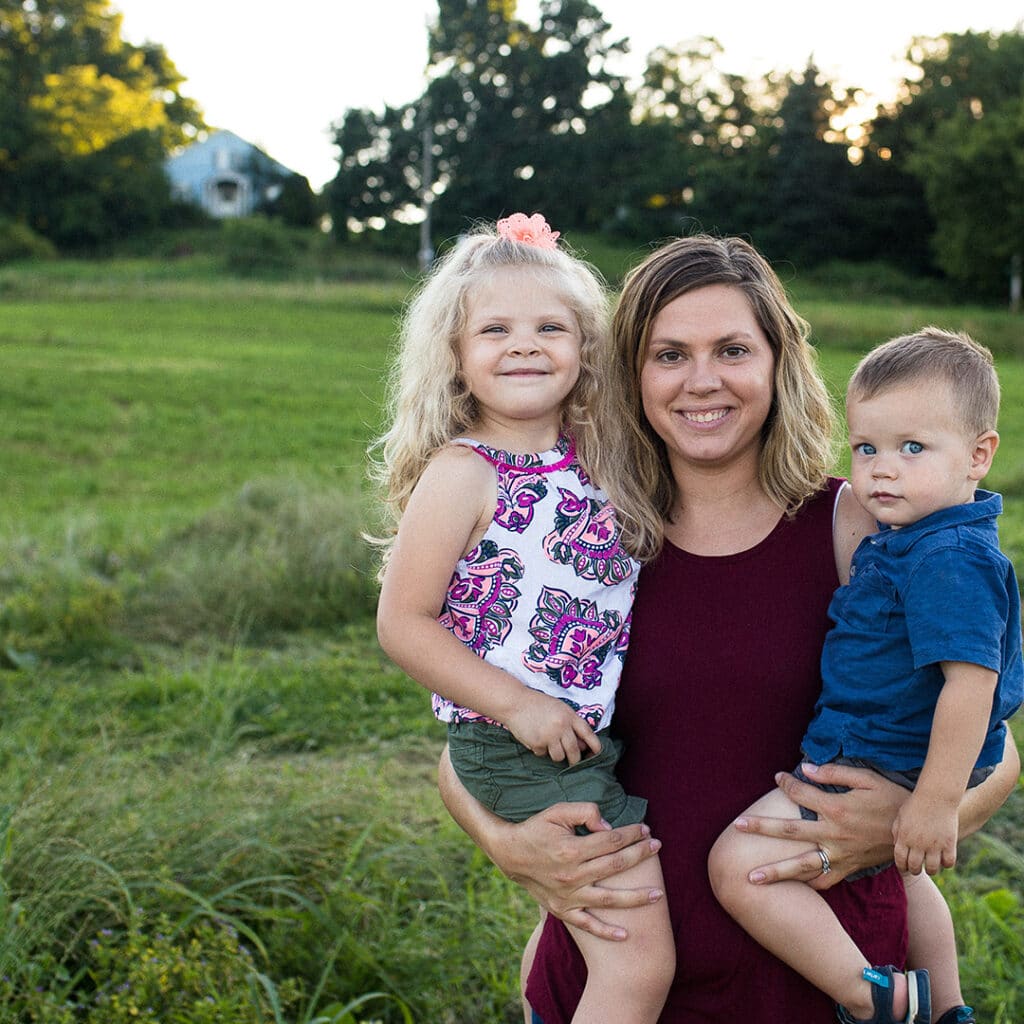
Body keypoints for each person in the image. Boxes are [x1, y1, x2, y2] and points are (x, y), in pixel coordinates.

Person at [437, 235, 1021, 1023]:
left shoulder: (860, 525)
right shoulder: (577, 529)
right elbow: (474, 738)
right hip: (621, 986)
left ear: (778, 363)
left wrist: (898, 825)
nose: (702, 380)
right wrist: (504, 843)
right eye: (669, 353)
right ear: (628, 373)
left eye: (733, 349)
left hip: (821, 990)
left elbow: (994, 749)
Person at [373, 213, 675, 1024]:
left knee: (581, 924)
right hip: (513, 737)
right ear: (457, 357)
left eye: (551, 327)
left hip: (580, 731)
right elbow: (403, 623)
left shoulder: (595, 459)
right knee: (639, 953)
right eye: (496, 329)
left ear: (584, 351)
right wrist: (519, 704)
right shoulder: (465, 472)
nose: (525, 344)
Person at [709, 328, 1023, 1024]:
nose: (881, 469)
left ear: (979, 454)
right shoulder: (910, 539)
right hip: (892, 748)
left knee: (738, 868)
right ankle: (947, 1006)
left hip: (891, 754)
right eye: (867, 447)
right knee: (906, 876)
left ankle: (875, 997)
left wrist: (935, 803)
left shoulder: (947, 557)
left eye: (913, 448)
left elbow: (972, 681)